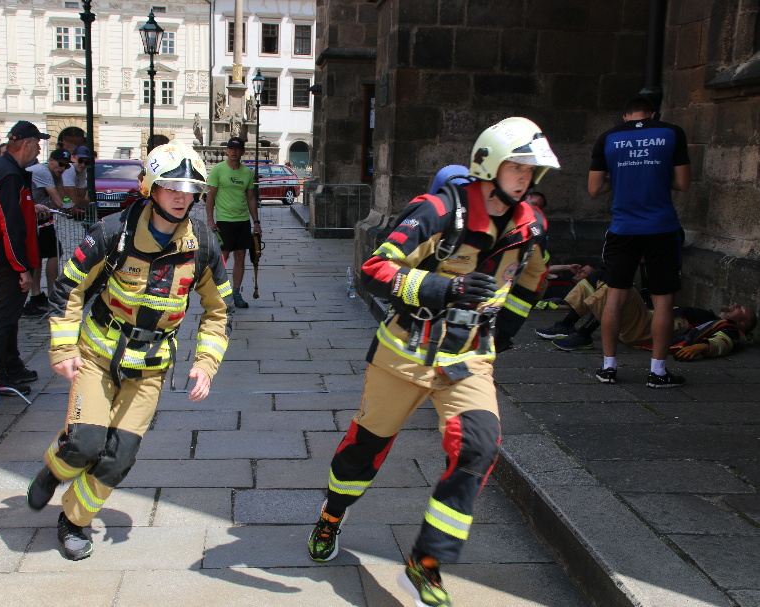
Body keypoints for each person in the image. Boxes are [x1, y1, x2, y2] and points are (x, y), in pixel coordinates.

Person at [307, 117, 558, 607]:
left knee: (479, 448)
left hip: (469, 360)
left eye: (532, 169)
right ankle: (333, 514)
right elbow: (376, 267)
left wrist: (503, 334)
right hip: (405, 353)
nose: (526, 176)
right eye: (517, 165)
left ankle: (425, 564)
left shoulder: (533, 225)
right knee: (366, 449)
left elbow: (532, 281)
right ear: (489, 164)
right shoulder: (440, 210)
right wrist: (445, 288)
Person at [25, 141, 233, 561]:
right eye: (171, 186)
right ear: (152, 188)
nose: (181, 196)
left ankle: (74, 519)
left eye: (189, 189)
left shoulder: (204, 246)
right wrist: (63, 346)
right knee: (84, 443)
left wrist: (206, 365)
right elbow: (69, 287)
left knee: (119, 456)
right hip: (97, 357)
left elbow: (218, 310)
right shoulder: (112, 232)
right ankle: (56, 467)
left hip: (151, 368)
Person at [589, 96, 691, 387]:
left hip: (623, 229)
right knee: (663, 301)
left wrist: (620, 178)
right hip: (662, 228)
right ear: (653, 114)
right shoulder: (671, 132)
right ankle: (658, 372)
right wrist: (658, 175)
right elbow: (683, 183)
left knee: (615, 296)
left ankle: (608, 368)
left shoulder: (608, 138)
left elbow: (595, 188)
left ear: (625, 117)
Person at [0, 120, 49, 395]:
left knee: (9, 315)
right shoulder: (8, 174)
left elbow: (10, 211)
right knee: (4, 316)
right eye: (38, 144)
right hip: (9, 257)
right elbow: (9, 223)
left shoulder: (4, 169)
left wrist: (33, 207)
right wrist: (22, 268)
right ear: (26, 144)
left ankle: (11, 364)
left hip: (4, 253)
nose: (39, 151)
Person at [536, 280, 756, 359]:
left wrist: (703, 347)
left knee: (620, 286)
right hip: (642, 322)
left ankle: (584, 335)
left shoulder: (728, 328)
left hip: (645, 331)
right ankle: (566, 323)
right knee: (596, 279)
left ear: (743, 324)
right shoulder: (710, 316)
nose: (736, 305)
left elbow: (726, 342)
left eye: (742, 310)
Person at [205, 136, 260, 309]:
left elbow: (251, 198)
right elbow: (210, 196)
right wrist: (210, 220)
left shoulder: (247, 173)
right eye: (230, 148)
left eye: (237, 149)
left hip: (242, 221)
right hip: (224, 221)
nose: (233, 151)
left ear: (243, 152)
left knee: (241, 256)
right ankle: (220, 293)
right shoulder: (218, 170)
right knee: (223, 258)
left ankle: (236, 293)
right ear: (227, 151)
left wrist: (256, 222)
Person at [23, 148, 71, 315]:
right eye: (60, 164)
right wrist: (66, 204)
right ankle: (51, 294)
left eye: (66, 166)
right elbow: (59, 201)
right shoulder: (43, 171)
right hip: (32, 218)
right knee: (52, 253)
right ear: (50, 160)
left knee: (40, 255)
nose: (63, 169)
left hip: (38, 218)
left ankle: (38, 294)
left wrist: (66, 201)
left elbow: (64, 198)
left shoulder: (50, 173)